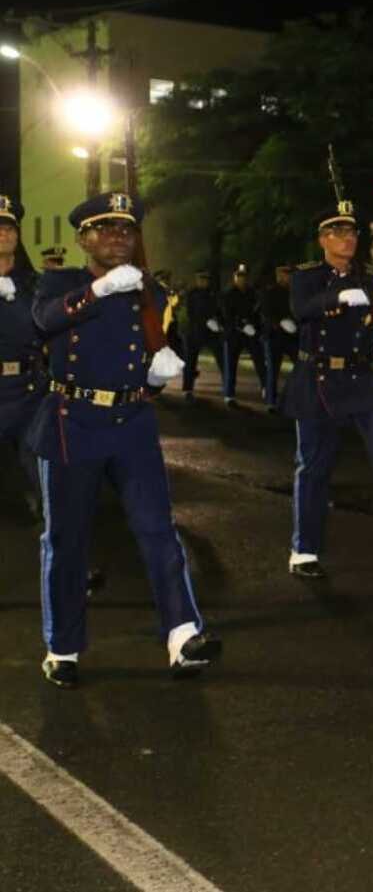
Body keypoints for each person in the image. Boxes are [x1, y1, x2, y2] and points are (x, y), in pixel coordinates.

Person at [28, 191, 221, 688]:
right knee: (67, 540)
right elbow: (45, 322)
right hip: (74, 420)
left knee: (158, 529)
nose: (117, 238)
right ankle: (63, 646)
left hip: (132, 420)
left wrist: (158, 374)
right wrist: (100, 292)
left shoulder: (148, 292)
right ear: (83, 239)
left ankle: (182, 633)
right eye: (105, 229)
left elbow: (142, 354)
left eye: (126, 230)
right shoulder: (59, 281)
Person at [281, 202, 373, 579]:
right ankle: (304, 549)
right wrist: (336, 299)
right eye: (339, 232)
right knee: (313, 466)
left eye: (352, 233)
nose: (348, 239)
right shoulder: (307, 276)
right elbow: (301, 309)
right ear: (323, 239)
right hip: (318, 378)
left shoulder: (370, 276)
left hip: (360, 380)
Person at [0, 194, 45, 518]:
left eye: (9, 227)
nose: (3, 233)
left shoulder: (35, 285)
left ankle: (61, 553)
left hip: (28, 388)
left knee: (40, 468)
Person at [220, 263, 267, 407]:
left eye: (244, 276)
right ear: (234, 277)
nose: (242, 279)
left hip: (251, 332)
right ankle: (229, 394)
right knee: (230, 365)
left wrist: (256, 329)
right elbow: (226, 315)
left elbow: (258, 313)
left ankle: (266, 388)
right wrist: (241, 325)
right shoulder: (228, 294)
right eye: (239, 276)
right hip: (234, 334)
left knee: (260, 361)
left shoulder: (253, 293)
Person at [259, 264, 298, 413]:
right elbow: (266, 312)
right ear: (278, 276)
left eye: (289, 274)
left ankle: (293, 397)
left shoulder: (294, 292)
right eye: (285, 274)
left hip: (292, 336)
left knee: (301, 366)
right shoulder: (270, 292)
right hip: (274, 336)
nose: (287, 277)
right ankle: (271, 401)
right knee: (273, 371)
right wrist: (279, 322)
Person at [181, 270, 223, 401]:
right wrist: (206, 321)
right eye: (201, 279)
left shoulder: (214, 293)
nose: (203, 281)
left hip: (212, 332)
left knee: (222, 359)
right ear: (197, 279)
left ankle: (228, 386)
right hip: (195, 331)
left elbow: (220, 310)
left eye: (206, 279)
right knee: (190, 362)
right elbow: (190, 313)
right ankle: (188, 389)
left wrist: (217, 322)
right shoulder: (192, 294)